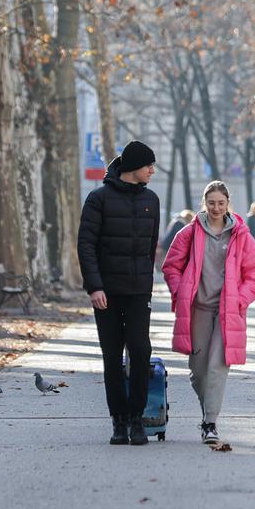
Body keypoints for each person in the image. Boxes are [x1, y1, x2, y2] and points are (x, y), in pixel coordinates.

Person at [163, 182, 255, 444]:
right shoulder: (188, 233)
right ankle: (207, 412)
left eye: (221, 203)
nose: (216, 208)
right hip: (197, 309)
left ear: (228, 203)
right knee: (198, 370)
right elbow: (171, 267)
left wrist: (240, 300)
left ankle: (210, 423)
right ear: (204, 203)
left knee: (217, 367)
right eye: (212, 203)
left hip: (227, 311)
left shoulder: (241, 235)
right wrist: (182, 291)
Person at [77, 140, 161, 447]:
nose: (152, 170)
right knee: (112, 357)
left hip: (139, 292)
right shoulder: (98, 199)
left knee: (140, 352)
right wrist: (94, 286)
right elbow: (85, 245)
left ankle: (137, 418)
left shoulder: (151, 199)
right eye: (148, 165)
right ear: (132, 167)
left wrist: (148, 283)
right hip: (107, 294)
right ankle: (119, 420)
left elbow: (151, 248)